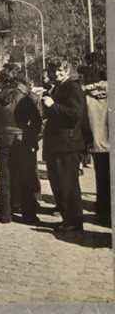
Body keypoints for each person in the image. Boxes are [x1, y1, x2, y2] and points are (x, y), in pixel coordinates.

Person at [0, 63, 43, 224]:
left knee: (5, 176)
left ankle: (5, 215)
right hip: (22, 138)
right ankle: (29, 215)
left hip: (4, 139)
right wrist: (29, 136)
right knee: (26, 176)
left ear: (1, 81)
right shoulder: (25, 97)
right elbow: (37, 119)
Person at [42, 57, 86, 232]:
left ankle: (74, 221)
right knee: (58, 183)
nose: (57, 73)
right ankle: (67, 218)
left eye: (61, 70)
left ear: (68, 71)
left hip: (68, 144)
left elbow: (75, 114)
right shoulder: (58, 88)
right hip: (57, 144)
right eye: (54, 71)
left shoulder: (72, 88)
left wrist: (52, 106)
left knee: (68, 184)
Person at [81, 52, 110, 227]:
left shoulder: (86, 94)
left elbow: (84, 120)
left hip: (97, 141)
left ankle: (103, 210)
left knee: (101, 176)